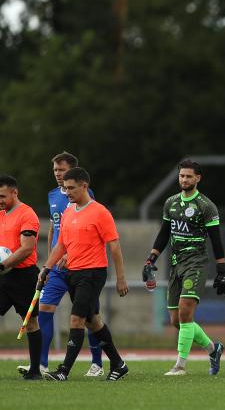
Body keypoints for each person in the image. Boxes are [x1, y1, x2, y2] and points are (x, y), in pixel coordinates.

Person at [41, 168, 129, 381]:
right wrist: (46, 268)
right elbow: (61, 245)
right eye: (65, 188)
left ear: (84, 186)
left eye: (71, 188)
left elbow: (115, 247)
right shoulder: (69, 212)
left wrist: (120, 278)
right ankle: (119, 364)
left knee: (76, 319)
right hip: (72, 273)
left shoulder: (100, 212)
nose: (67, 192)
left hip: (92, 274)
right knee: (94, 322)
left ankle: (63, 371)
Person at [143, 159, 225, 376]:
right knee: (176, 320)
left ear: (197, 178)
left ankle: (180, 365)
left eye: (188, 176)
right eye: (182, 176)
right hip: (175, 264)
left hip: (196, 263)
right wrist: (151, 258)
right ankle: (213, 349)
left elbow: (216, 239)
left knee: (185, 312)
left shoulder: (205, 206)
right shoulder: (171, 202)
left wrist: (222, 271)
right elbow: (164, 233)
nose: (184, 179)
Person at [23, 152, 105, 377]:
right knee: (45, 309)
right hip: (57, 267)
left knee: (90, 318)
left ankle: (97, 363)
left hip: (80, 265)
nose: (58, 174)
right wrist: (50, 261)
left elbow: (88, 227)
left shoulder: (83, 195)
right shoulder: (51, 195)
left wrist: (71, 254)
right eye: (56, 171)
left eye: (62, 170)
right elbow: (53, 229)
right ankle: (41, 363)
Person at [0, 176, 43, 380]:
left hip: (24, 276)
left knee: (31, 323)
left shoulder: (27, 214)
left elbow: (26, 249)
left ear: (14, 192)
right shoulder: (1, 215)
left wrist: (3, 265)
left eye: (2, 196)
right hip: (4, 276)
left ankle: (35, 370)